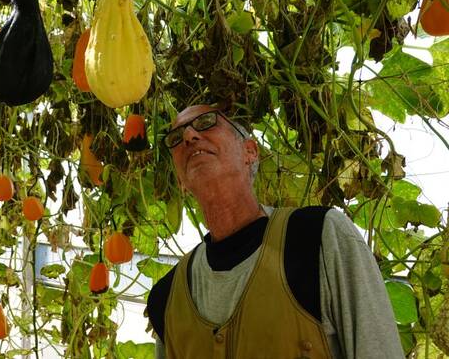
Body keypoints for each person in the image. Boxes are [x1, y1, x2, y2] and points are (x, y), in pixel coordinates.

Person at [146, 104, 404, 358]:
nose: (189, 137)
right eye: (176, 138)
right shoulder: (165, 299)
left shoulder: (318, 238)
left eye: (206, 123)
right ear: (180, 181)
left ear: (250, 151)